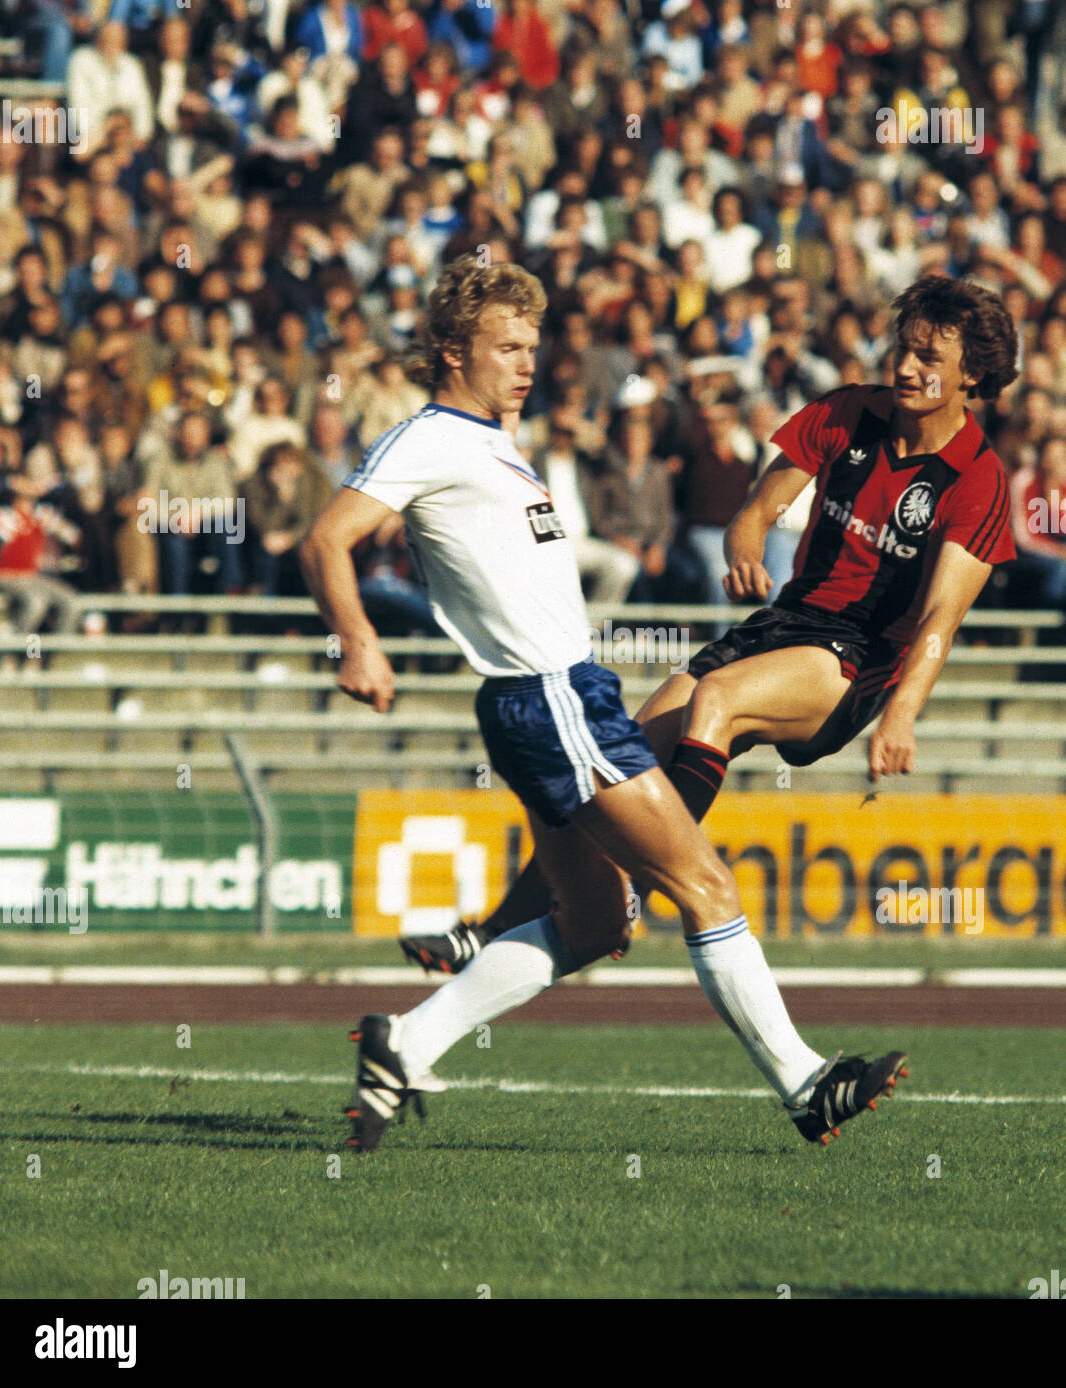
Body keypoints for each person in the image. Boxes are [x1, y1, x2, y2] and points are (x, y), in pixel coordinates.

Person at [300, 255, 906, 1153]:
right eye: (507, 345)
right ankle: (806, 1083)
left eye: (532, 345)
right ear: (452, 350)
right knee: (704, 885)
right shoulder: (428, 437)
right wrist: (356, 638)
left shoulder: (491, 441)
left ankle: (409, 1040)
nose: (527, 362)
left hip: (549, 702)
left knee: (590, 924)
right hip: (551, 698)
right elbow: (326, 538)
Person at [406, 274, 1018, 978]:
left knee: (716, 698)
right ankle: (493, 935)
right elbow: (754, 513)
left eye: (929, 359)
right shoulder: (849, 411)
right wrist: (746, 547)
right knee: (618, 767)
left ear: (972, 374)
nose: (907, 367)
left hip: (856, 661)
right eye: (903, 349)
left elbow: (943, 616)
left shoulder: (977, 478)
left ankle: (637, 891)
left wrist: (902, 712)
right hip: (783, 625)